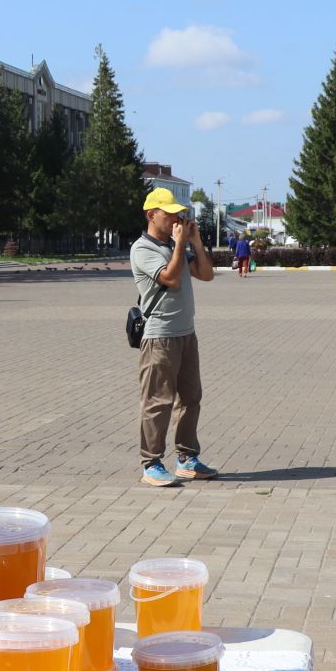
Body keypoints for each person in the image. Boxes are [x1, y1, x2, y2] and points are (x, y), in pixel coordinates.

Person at [131, 187, 218, 487]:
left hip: (186, 333)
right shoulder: (142, 249)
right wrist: (181, 243)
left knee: (191, 398)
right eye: (168, 214)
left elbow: (206, 275)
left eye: (177, 213)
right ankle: (151, 463)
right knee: (158, 402)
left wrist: (195, 241)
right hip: (159, 337)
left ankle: (187, 459)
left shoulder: (178, 244)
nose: (175, 218)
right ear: (151, 215)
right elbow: (169, 278)